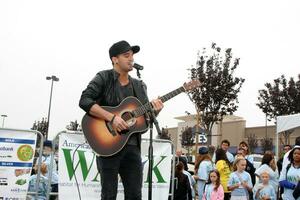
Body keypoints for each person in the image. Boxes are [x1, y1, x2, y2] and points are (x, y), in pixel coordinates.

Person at [79, 40, 163, 200]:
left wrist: (155, 112)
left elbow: (143, 122)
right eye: (126, 55)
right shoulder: (103, 77)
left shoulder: (139, 85)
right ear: (114, 59)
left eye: (132, 55)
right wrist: (112, 118)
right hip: (108, 145)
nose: (131, 59)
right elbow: (84, 100)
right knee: (109, 195)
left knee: (135, 195)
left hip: (132, 148)